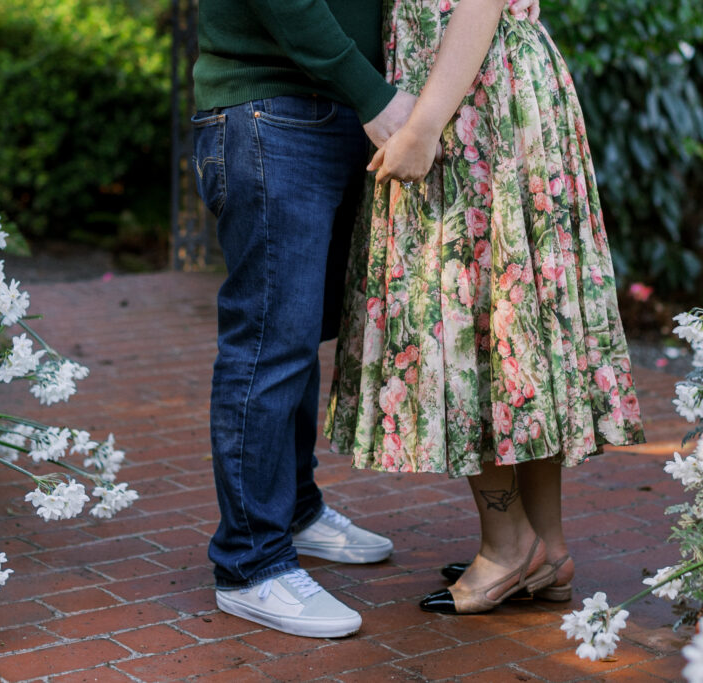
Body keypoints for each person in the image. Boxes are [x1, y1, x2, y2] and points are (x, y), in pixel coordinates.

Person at [191, 0, 539, 639]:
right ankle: (251, 563)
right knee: (268, 341)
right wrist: (372, 94)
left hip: (334, 106)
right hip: (274, 104)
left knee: (299, 335)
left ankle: (293, 510)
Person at [326, 0, 646, 614]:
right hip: (488, 81)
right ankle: (546, 549)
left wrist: (421, 127)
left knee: (472, 313)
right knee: (512, 313)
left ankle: (507, 546)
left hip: (467, 92)